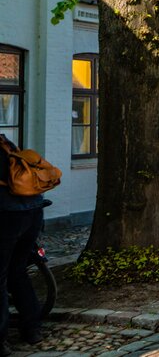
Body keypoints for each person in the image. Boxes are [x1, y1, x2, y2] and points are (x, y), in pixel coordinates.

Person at [0, 136, 45, 356]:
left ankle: (1, 340)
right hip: (33, 208)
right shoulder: (6, 143)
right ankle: (32, 328)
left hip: (8, 214)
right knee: (17, 272)